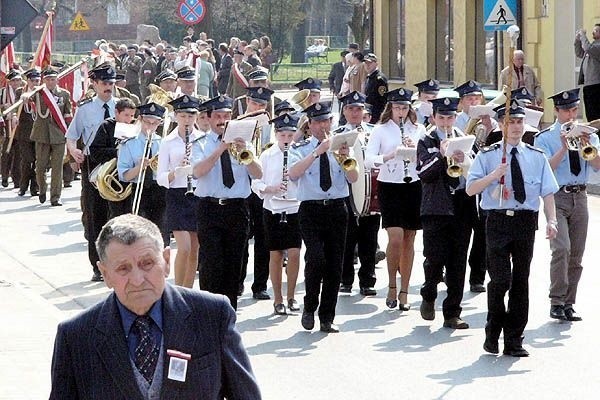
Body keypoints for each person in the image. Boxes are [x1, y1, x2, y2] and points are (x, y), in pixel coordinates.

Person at [49, 214, 261, 399]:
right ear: (105, 274)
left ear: (166, 261)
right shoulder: (76, 336)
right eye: (123, 268)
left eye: (147, 264)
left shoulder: (212, 315)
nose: (138, 279)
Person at [467, 100, 559, 357]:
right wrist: (494, 175)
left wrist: (551, 220)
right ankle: (493, 331)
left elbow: (548, 193)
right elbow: (471, 189)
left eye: (519, 122)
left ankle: (515, 338)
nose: (516, 127)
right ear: (501, 124)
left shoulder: (536, 156)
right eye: (511, 122)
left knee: (520, 280)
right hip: (497, 220)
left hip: (524, 222)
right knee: (499, 280)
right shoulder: (488, 155)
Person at [288, 102, 359, 333]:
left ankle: (327, 316)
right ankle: (310, 306)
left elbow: (354, 177)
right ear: (310, 124)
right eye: (318, 122)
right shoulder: (300, 147)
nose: (322, 126)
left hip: (337, 208)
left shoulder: (342, 145)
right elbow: (293, 174)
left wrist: (344, 157)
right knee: (316, 258)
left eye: (326, 121)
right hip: (311, 209)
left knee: (334, 264)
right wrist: (317, 152)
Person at [534, 88, 600, 322]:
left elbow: (598, 166)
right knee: (561, 248)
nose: (571, 115)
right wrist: (563, 146)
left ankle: (569, 303)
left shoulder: (589, 135)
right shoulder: (544, 138)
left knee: (577, 253)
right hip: (557, 196)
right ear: (557, 111)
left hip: (580, 196)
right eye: (566, 110)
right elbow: (545, 170)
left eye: (574, 109)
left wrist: (586, 144)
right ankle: (556, 300)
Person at [191, 95, 262, 310]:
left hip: (237, 209)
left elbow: (258, 174)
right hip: (210, 208)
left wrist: (244, 153)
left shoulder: (244, 143)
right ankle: (209, 311)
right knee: (211, 264)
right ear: (209, 118)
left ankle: (229, 312)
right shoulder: (201, 143)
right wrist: (220, 149)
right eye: (218, 116)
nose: (222, 121)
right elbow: (197, 172)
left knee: (234, 264)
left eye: (226, 116)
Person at [416, 97, 476, 329]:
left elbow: (475, 170)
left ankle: (452, 312)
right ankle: (429, 292)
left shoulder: (463, 137)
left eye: (450, 117)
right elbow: (424, 173)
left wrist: (466, 160)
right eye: (441, 118)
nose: (446, 123)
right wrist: (441, 156)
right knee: (434, 258)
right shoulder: (426, 139)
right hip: (436, 206)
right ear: (433, 118)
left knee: (458, 261)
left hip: (461, 204)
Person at [366, 88, 425, 310]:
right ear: (390, 107)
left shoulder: (418, 130)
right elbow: (369, 159)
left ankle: (404, 290)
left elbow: (427, 158)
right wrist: (390, 155)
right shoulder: (380, 130)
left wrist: (415, 150)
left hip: (413, 185)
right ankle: (391, 284)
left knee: (410, 239)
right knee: (396, 237)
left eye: (405, 107)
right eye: (397, 107)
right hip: (389, 184)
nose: (401, 111)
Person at [67, 63, 117, 281]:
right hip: (92, 165)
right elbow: (72, 135)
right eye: (104, 83)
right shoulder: (85, 108)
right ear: (94, 84)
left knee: (115, 216)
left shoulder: (122, 107)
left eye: (111, 83)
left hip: (117, 166)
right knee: (94, 215)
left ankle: (115, 262)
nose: (108, 87)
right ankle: (97, 265)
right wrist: (73, 150)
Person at [252, 113, 302, 315]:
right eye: (283, 135)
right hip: (272, 207)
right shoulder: (267, 155)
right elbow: (256, 182)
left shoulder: (298, 154)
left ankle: (291, 296)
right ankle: (278, 299)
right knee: (275, 254)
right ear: (276, 134)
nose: (287, 139)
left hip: (294, 207)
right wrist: (270, 188)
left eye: (290, 135)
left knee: (295, 253)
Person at [335, 91, 380, 296]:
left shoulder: (373, 132)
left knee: (369, 237)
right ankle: (345, 278)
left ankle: (367, 279)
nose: (355, 112)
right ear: (344, 111)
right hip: (345, 189)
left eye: (359, 109)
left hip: (370, 190)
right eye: (351, 108)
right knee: (346, 236)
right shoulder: (337, 133)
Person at [157, 95, 202, 288]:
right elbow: (160, 176)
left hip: (198, 194)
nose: (187, 120)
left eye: (191, 116)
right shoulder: (168, 141)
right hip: (177, 195)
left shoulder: (202, 139)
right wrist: (176, 172)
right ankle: (177, 289)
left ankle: (188, 291)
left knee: (195, 250)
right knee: (183, 248)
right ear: (176, 117)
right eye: (183, 116)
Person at [117, 102, 168, 245]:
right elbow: (124, 176)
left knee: (161, 235)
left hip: (160, 190)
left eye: (154, 123)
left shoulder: (164, 143)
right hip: (139, 189)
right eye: (147, 122)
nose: (150, 127)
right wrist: (139, 167)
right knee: (139, 236)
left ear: (159, 123)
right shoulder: (128, 143)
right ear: (140, 120)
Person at [88, 97, 138, 218]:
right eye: (126, 115)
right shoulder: (107, 126)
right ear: (116, 112)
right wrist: (117, 152)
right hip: (114, 181)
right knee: (117, 214)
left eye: (132, 115)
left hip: (132, 176)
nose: (129, 119)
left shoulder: (136, 127)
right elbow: (95, 151)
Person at [29, 68, 72, 206]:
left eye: (53, 79)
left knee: (57, 167)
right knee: (40, 166)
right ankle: (42, 188)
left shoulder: (64, 94)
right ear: (44, 80)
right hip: (41, 134)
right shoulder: (38, 93)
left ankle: (55, 197)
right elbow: (27, 97)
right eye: (47, 79)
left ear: (57, 80)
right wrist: (26, 95)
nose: (50, 82)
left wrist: (71, 136)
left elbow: (67, 115)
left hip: (58, 135)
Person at [13, 68, 40, 197]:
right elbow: (15, 108)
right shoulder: (20, 92)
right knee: (27, 159)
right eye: (33, 80)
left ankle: (35, 187)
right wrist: (13, 116)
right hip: (24, 132)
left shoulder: (41, 92)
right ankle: (23, 186)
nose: (35, 83)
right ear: (28, 81)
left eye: (37, 80)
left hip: (38, 132)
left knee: (37, 160)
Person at [0, 70, 23, 189]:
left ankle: (17, 179)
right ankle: (4, 176)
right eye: (13, 81)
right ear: (9, 82)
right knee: (6, 153)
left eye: (18, 80)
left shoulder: (23, 92)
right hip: (8, 126)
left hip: (20, 127)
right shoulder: (3, 92)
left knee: (18, 154)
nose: (16, 83)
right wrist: (4, 107)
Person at [574, 24, 600, 121]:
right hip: (588, 85)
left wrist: (583, 35)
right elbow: (579, 53)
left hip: (596, 85)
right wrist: (577, 40)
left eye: (596, 31)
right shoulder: (592, 45)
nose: (593, 32)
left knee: (596, 114)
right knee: (589, 113)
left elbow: (588, 48)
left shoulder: (597, 46)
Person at [363, 53, 388, 124]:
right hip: (368, 112)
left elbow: (383, 100)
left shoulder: (380, 79)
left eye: (370, 63)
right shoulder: (370, 77)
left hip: (376, 113)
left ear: (376, 64)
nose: (367, 65)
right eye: (366, 63)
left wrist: (380, 117)